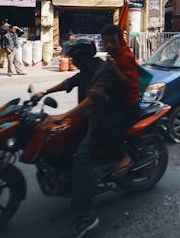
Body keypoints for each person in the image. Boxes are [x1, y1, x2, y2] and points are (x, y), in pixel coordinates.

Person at [31, 38, 119, 238]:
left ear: (82, 58)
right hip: (87, 117)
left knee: (82, 159)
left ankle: (86, 216)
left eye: (73, 58)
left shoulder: (102, 71)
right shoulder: (87, 69)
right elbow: (69, 82)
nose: (71, 61)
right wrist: (44, 92)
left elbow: (93, 99)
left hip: (100, 120)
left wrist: (63, 115)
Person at [99, 24, 140, 178]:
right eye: (106, 42)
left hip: (129, 106)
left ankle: (125, 157)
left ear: (119, 41)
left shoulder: (125, 56)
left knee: (107, 128)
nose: (109, 45)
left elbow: (127, 83)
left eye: (113, 42)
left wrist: (114, 68)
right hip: (117, 102)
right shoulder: (114, 56)